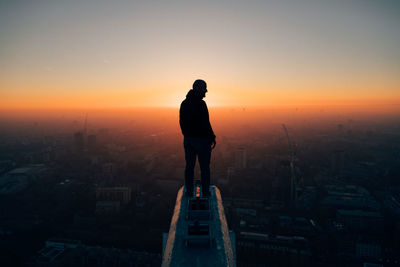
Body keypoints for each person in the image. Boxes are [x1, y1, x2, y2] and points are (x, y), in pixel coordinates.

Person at [179, 79, 216, 197]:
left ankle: (189, 192)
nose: (206, 91)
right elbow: (206, 123)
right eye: (204, 88)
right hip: (202, 141)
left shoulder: (184, 103)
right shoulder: (201, 104)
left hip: (189, 141)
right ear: (199, 89)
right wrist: (211, 137)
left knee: (189, 167)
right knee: (204, 168)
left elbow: (182, 123)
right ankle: (205, 192)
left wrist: (188, 136)